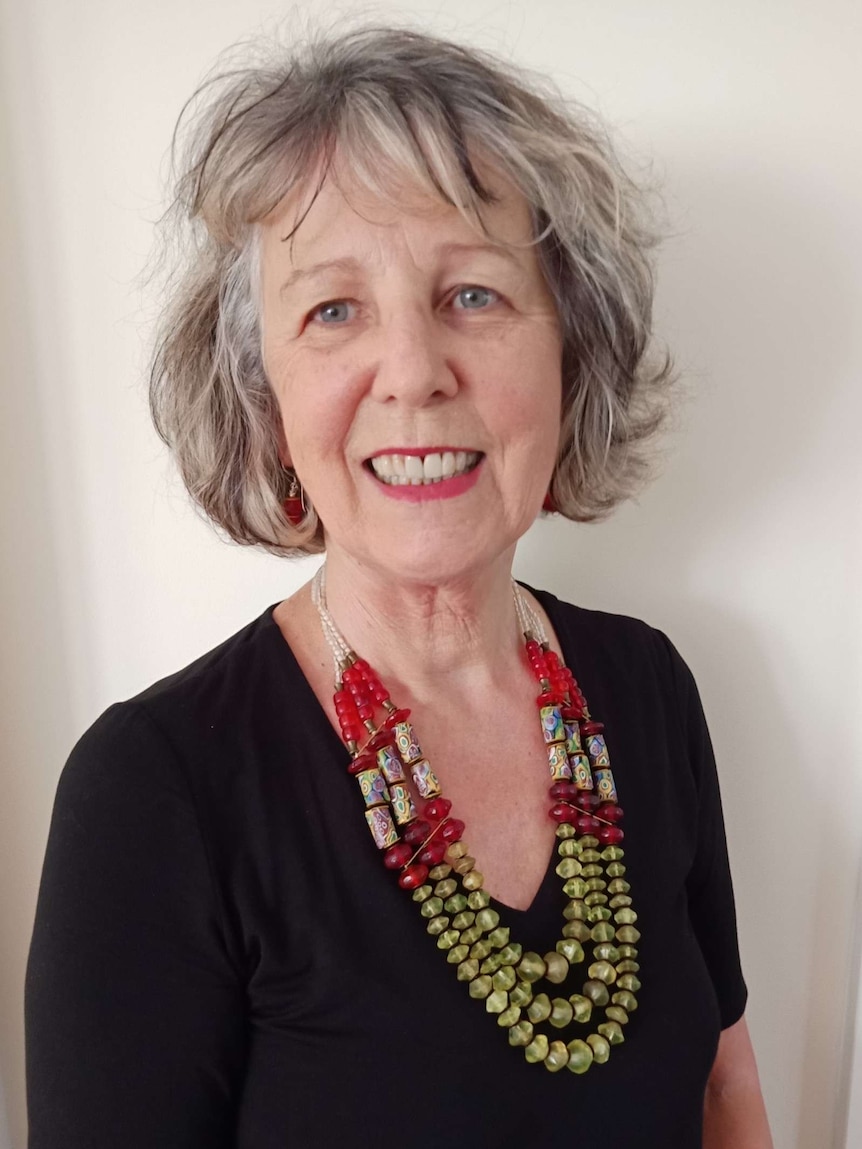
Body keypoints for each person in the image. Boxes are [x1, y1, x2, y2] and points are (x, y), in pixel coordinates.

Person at [25, 26, 773, 1149]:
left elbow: (720, 1090)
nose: (416, 370)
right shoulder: (154, 793)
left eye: (472, 293)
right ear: (260, 394)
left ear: (568, 354)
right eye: (333, 310)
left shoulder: (648, 688)